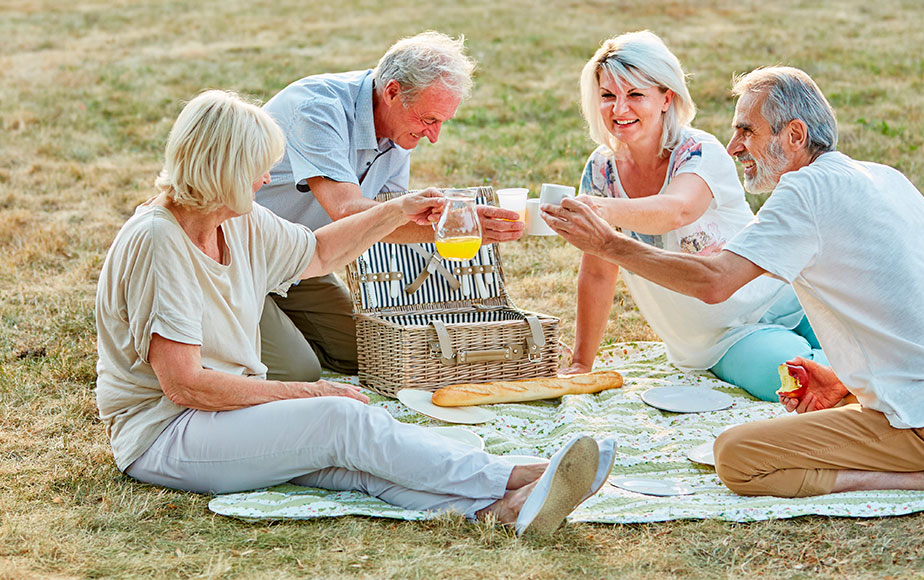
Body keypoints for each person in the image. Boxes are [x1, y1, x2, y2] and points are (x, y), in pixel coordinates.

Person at [94, 90, 613, 535]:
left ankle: (500, 511)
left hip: (223, 416)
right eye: (257, 167)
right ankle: (514, 476)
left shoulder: (239, 221)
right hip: (166, 434)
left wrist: (395, 212)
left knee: (355, 462)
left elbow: (318, 254)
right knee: (340, 420)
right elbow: (185, 386)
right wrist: (309, 391)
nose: (265, 179)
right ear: (222, 168)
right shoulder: (158, 242)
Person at [541, 66, 924, 498]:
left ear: (794, 135)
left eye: (747, 130)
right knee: (836, 399)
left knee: (736, 456)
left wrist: (608, 242)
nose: (735, 144)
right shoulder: (883, 175)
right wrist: (843, 384)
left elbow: (714, 282)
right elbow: (910, 304)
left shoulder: (804, 193)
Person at [559, 31, 826, 402]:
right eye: (608, 96)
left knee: (870, 344)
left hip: (785, 297)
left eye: (635, 95)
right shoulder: (602, 172)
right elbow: (598, 271)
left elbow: (676, 209)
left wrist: (598, 210)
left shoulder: (699, 150)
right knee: (795, 380)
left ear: (667, 97)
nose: (619, 110)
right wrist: (580, 365)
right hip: (721, 338)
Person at [254, 31, 523, 382]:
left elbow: (384, 219)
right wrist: (449, 226)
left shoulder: (398, 130)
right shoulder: (317, 109)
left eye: (442, 122)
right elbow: (348, 210)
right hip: (240, 256)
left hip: (299, 259)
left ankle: (268, 324)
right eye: (429, 120)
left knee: (367, 351)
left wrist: (457, 224)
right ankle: (227, 328)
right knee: (297, 370)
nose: (434, 136)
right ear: (393, 92)